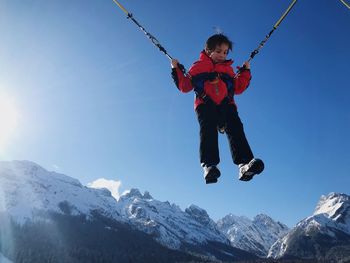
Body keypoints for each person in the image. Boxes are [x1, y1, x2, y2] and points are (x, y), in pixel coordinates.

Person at [171, 34, 264, 184]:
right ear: (208, 51)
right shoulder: (198, 66)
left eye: (226, 52)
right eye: (219, 51)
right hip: (205, 104)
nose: (223, 55)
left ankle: (245, 164)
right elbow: (185, 86)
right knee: (208, 129)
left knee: (236, 128)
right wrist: (176, 69)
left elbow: (238, 88)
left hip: (227, 105)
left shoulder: (228, 70)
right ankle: (210, 166)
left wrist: (245, 72)